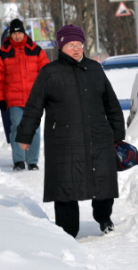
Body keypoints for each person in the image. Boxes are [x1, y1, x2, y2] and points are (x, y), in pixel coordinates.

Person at [15, 24, 126, 238]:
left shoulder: (95, 69)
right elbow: (34, 106)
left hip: (98, 136)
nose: (76, 49)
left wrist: (118, 134)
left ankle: (104, 219)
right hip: (64, 139)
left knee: (103, 180)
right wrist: (25, 135)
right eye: (70, 45)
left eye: (79, 45)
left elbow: (111, 104)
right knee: (65, 185)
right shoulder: (49, 73)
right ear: (61, 47)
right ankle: (67, 231)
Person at [0, 18, 49, 170]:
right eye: (14, 34)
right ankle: (19, 160)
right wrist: (1, 98)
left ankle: (32, 161)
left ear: (24, 33)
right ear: (10, 35)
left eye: (20, 33)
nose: (17, 36)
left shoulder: (36, 50)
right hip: (14, 98)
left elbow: (47, 74)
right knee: (17, 127)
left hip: (34, 99)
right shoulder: (3, 53)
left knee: (34, 128)